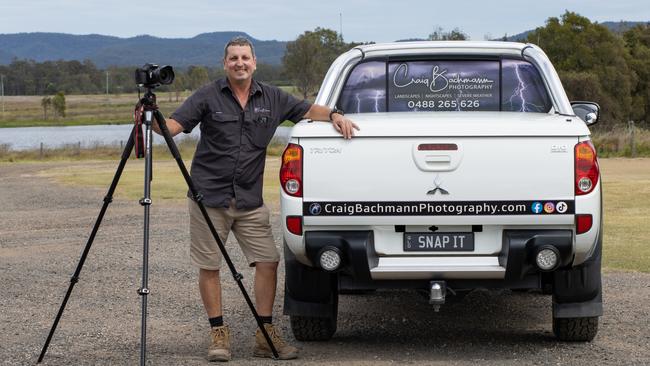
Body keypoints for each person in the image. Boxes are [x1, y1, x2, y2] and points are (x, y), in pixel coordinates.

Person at [155, 36, 359, 362]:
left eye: (245, 58)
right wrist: (151, 117)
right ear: (225, 63)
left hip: (249, 200)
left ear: (254, 62)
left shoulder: (273, 97)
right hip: (209, 198)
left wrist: (335, 114)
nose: (239, 63)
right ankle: (218, 334)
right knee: (210, 266)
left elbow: (308, 110)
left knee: (268, 261)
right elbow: (172, 127)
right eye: (233, 58)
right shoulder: (207, 95)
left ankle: (265, 335)